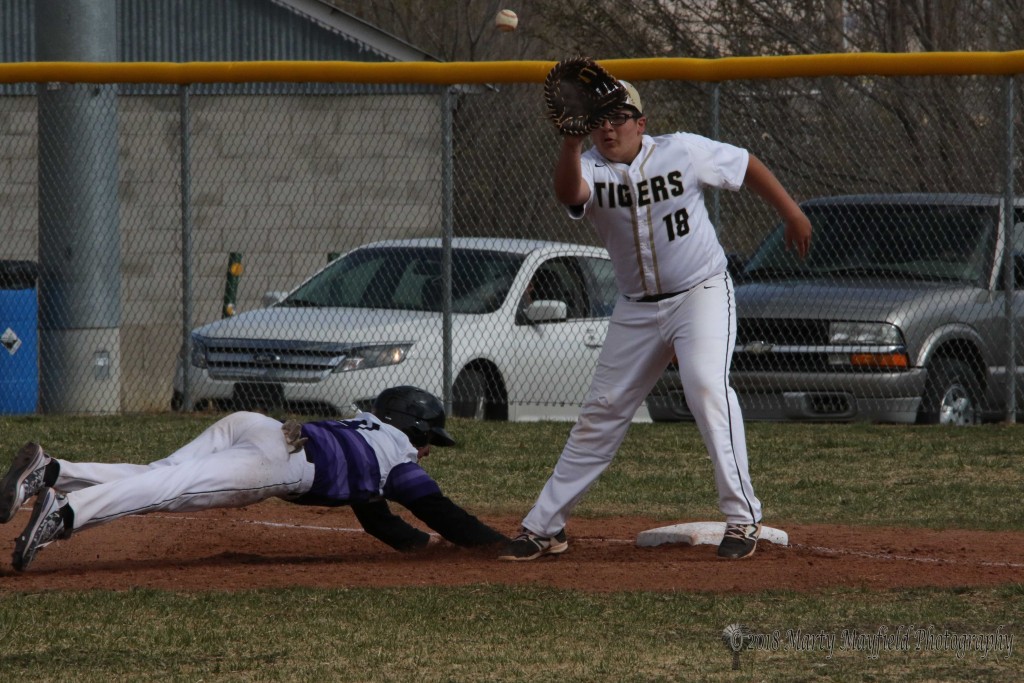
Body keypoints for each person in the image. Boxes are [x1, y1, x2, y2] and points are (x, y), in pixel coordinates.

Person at [499, 79, 812, 562]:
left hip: (700, 292)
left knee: (706, 387)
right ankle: (544, 527)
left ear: (641, 124)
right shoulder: (588, 166)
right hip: (636, 307)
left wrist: (790, 211)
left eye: (618, 118)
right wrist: (568, 139)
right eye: (599, 120)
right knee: (600, 413)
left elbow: (745, 163)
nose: (608, 128)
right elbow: (569, 192)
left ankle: (742, 517)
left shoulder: (682, 150)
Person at [0, 386, 507, 571]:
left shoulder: (365, 433)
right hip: (279, 463)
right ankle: (63, 515)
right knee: (171, 490)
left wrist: (423, 547)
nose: (425, 451)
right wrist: (499, 545)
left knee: (164, 473)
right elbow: (441, 510)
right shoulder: (397, 455)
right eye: (427, 440)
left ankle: (52, 473)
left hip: (256, 425)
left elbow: (378, 521)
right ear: (411, 429)